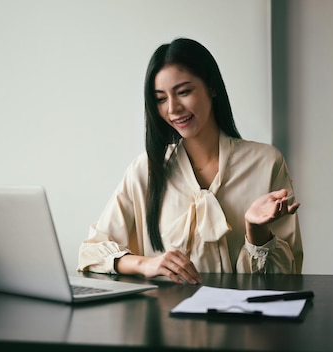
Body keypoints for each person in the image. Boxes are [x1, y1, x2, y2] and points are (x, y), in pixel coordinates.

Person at [77, 38, 302, 284]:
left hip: (244, 319)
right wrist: (146, 263)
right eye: (161, 99)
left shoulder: (266, 162)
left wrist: (257, 232)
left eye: (183, 92)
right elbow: (90, 253)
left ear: (212, 87)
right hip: (164, 318)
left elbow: (286, 277)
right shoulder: (146, 170)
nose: (173, 108)